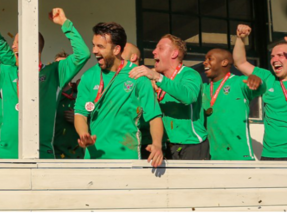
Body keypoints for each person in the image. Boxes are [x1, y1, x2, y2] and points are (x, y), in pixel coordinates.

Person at [0, 0, 90, 159]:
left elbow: (83, 54)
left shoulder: (54, 72)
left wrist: (65, 23)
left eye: (17, 42)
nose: (13, 46)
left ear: (32, 45)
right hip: (6, 153)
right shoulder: (6, 72)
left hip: (41, 153)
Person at [75, 23, 164, 167]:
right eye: (94, 45)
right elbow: (80, 114)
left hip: (127, 158)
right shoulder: (88, 77)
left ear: (117, 49)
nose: (94, 51)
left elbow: (154, 117)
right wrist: (84, 134)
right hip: (93, 159)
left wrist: (157, 145)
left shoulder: (138, 76)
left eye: (101, 47)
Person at [130, 35, 209, 161]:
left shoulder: (189, 74)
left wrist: (157, 77)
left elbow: (188, 96)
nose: (154, 52)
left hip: (192, 145)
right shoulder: (158, 80)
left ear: (174, 54)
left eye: (160, 48)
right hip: (167, 147)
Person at [233, 25, 287, 161]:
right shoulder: (268, 77)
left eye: (280, 55)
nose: (275, 60)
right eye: (272, 56)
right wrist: (241, 38)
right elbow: (240, 62)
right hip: (271, 154)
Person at [202, 48, 264, 161]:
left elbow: (260, 88)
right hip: (212, 158)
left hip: (238, 157)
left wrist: (258, 81)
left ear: (224, 62)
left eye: (210, 59)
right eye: (205, 59)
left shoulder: (239, 82)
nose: (205, 62)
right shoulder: (204, 89)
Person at [53, 51, 84, 160]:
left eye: (66, 65)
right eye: (57, 65)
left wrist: (79, 119)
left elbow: (96, 123)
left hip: (74, 156)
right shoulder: (46, 95)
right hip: (49, 155)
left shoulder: (80, 96)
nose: (61, 69)